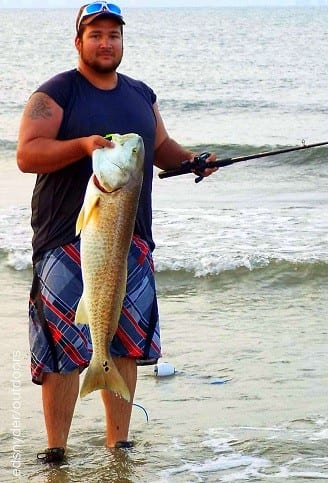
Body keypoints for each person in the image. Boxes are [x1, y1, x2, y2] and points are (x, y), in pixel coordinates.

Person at [16, 1, 217, 463]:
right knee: (62, 345)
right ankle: (55, 451)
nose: (106, 43)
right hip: (65, 239)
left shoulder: (142, 94)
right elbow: (28, 154)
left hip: (132, 237)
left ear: (123, 41)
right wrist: (83, 146)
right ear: (79, 41)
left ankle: (118, 443)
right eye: (96, 34)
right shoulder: (57, 93)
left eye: (114, 35)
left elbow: (161, 147)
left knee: (123, 340)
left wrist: (193, 161)